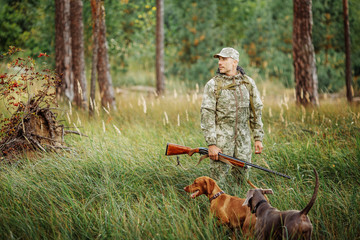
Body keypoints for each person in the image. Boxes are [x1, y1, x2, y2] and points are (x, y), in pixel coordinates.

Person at [200, 47, 264, 187]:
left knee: (242, 180)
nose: (220, 63)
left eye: (224, 59)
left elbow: (256, 111)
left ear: (235, 62)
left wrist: (258, 138)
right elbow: (207, 114)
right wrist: (211, 144)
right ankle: (215, 208)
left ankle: (240, 206)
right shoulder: (213, 85)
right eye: (219, 59)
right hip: (221, 141)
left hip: (243, 140)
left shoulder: (248, 83)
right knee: (218, 183)